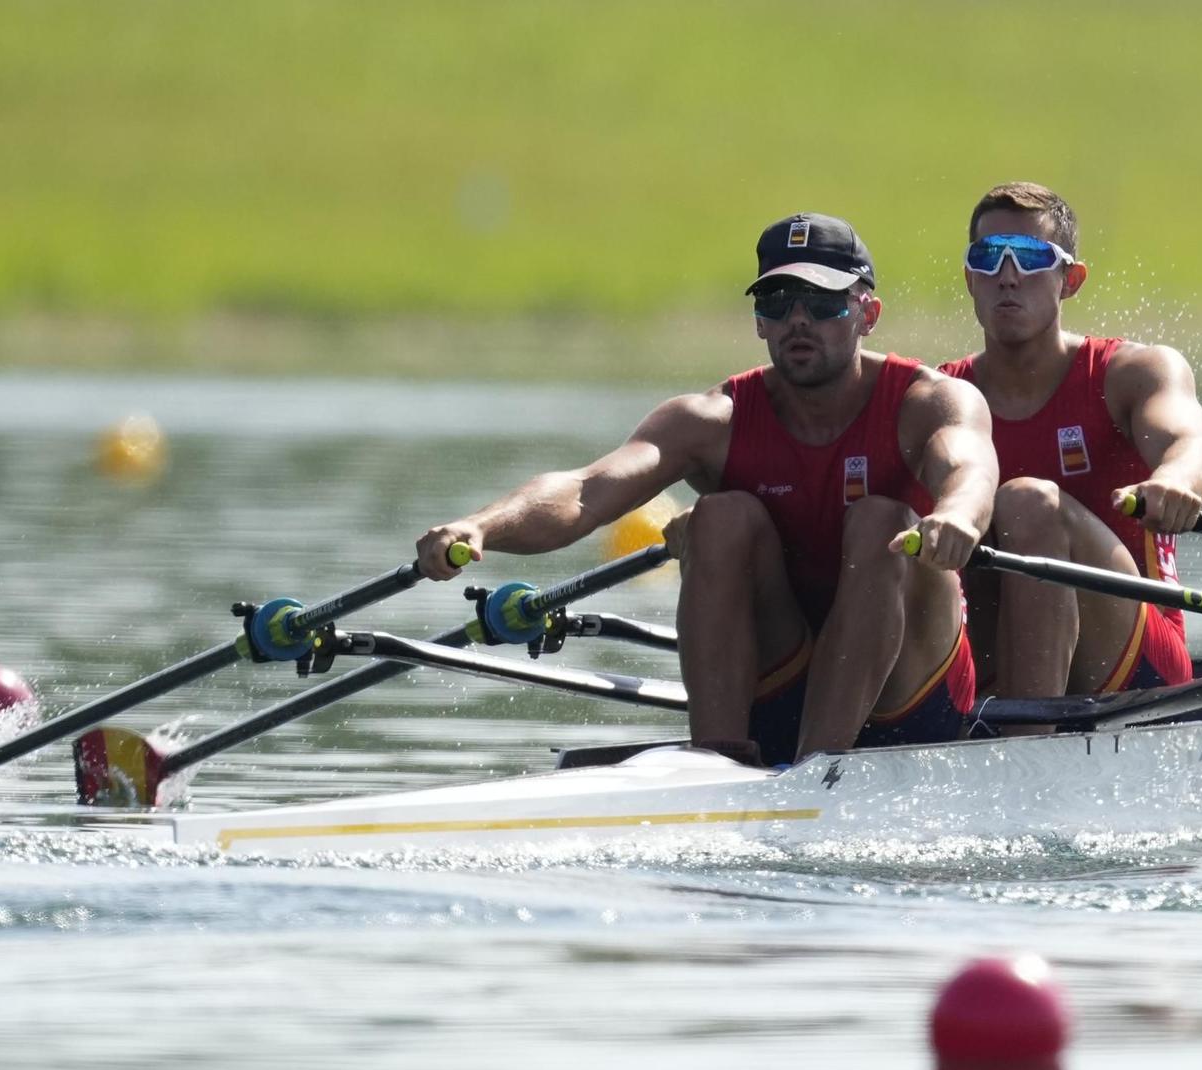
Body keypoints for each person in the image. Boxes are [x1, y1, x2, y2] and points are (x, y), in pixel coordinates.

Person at [416, 213, 998, 765]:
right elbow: (586, 490)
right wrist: (481, 526)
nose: (798, 320)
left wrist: (958, 516)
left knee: (880, 522)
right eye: (777, 302)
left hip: (913, 694)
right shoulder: (711, 420)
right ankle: (718, 760)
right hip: (783, 679)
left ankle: (819, 770)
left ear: (867, 314)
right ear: (759, 321)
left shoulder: (928, 400)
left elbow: (969, 468)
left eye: (822, 303)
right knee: (719, 517)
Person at [938, 182, 1202, 718]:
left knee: (1027, 503)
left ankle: (1024, 747)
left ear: (1071, 280)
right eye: (989, 258)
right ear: (970, 277)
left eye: (1033, 257)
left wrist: (1178, 481)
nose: (1009, 275)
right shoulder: (943, 396)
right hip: (998, 646)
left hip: (1139, 668)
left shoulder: (1132, 373)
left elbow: (1189, 443)